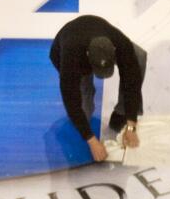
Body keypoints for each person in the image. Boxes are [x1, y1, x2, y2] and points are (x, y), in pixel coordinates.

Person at [50, 15, 146, 162]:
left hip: (96, 34)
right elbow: (70, 99)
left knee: (138, 56)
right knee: (83, 108)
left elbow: (131, 80)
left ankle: (121, 111)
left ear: (114, 53)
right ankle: (86, 102)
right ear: (88, 56)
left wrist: (131, 124)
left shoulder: (121, 44)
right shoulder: (71, 57)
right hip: (64, 50)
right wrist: (91, 140)